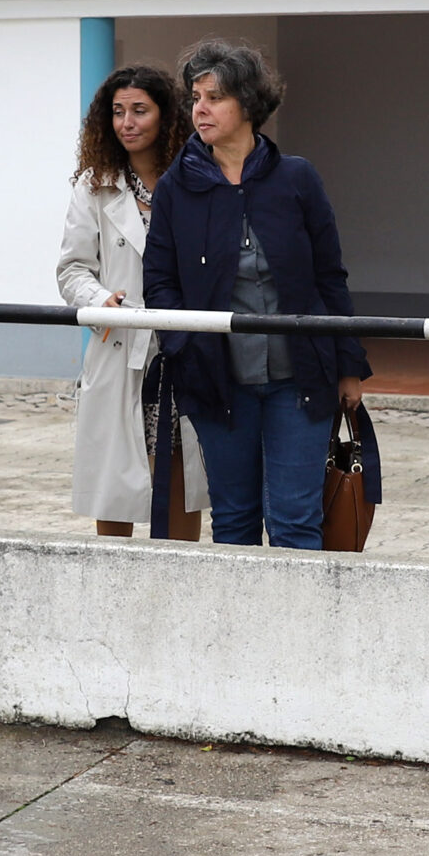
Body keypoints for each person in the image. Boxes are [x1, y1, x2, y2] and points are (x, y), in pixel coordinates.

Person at [142, 39, 371, 549]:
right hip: (217, 380)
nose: (200, 108)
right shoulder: (177, 187)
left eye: (215, 97)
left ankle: (300, 629)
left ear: (248, 104)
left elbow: (330, 278)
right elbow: (158, 281)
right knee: (234, 521)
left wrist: (349, 365)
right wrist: (183, 347)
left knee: (294, 521)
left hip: (300, 378)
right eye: (195, 97)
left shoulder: (297, 179)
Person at [58, 66, 207, 538]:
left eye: (140, 111)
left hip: (182, 346)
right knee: (115, 478)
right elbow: (71, 269)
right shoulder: (93, 186)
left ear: (166, 117)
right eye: (118, 112)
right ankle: (113, 579)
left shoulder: (194, 181)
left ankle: (178, 573)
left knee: (182, 468)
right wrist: (102, 301)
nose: (127, 122)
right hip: (121, 347)